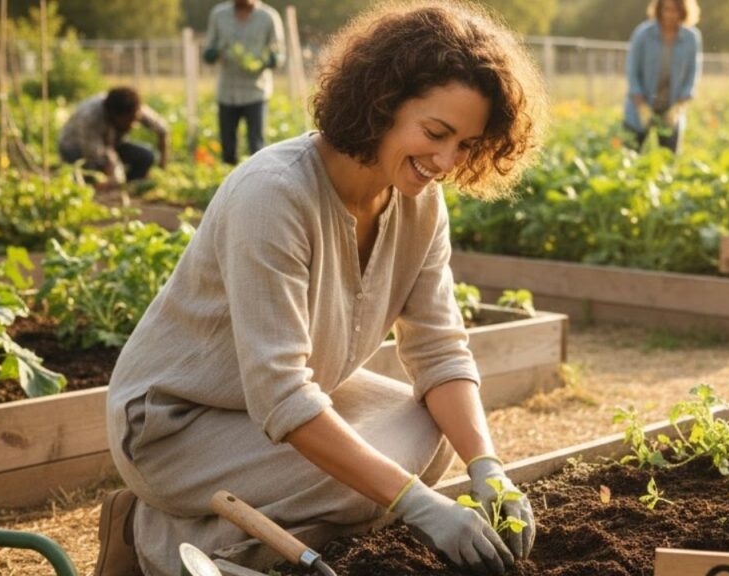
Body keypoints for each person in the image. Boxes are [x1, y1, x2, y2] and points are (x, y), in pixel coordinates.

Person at [94, 2, 548, 575]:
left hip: (283, 408)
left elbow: (439, 349)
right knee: (378, 486)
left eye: (465, 144)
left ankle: (215, 534)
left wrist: (488, 465)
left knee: (433, 436)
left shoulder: (419, 204)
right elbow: (282, 392)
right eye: (435, 132)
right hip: (177, 426)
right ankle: (151, 536)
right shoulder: (274, 195)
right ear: (381, 102)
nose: (445, 160)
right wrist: (415, 504)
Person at [202, 0, 285, 165]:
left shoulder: (268, 16)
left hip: (255, 91)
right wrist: (213, 53)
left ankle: (259, 181)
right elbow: (208, 50)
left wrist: (270, 60)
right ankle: (228, 183)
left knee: (257, 145)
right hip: (227, 91)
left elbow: (279, 53)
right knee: (227, 145)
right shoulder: (219, 15)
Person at [623, 0, 702, 154]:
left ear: (683, 11)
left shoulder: (691, 38)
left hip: (671, 109)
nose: (670, 14)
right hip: (640, 107)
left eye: (675, 10)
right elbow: (632, 72)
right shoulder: (643, 34)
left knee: (668, 159)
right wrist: (641, 107)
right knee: (630, 157)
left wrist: (678, 107)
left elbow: (692, 75)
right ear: (659, 10)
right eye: (666, 9)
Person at [58, 86, 168, 188]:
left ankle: (130, 186)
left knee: (146, 156)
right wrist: (109, 175)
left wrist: (162, 163)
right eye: (128, 121)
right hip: (76, 148)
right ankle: (96, 187)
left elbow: (162, 130)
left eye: (134, 120)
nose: (133, 125)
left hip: (112, 143)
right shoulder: (90, 116)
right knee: (91, 174)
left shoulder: (133, 108)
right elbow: (95, 155)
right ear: (114, 115)